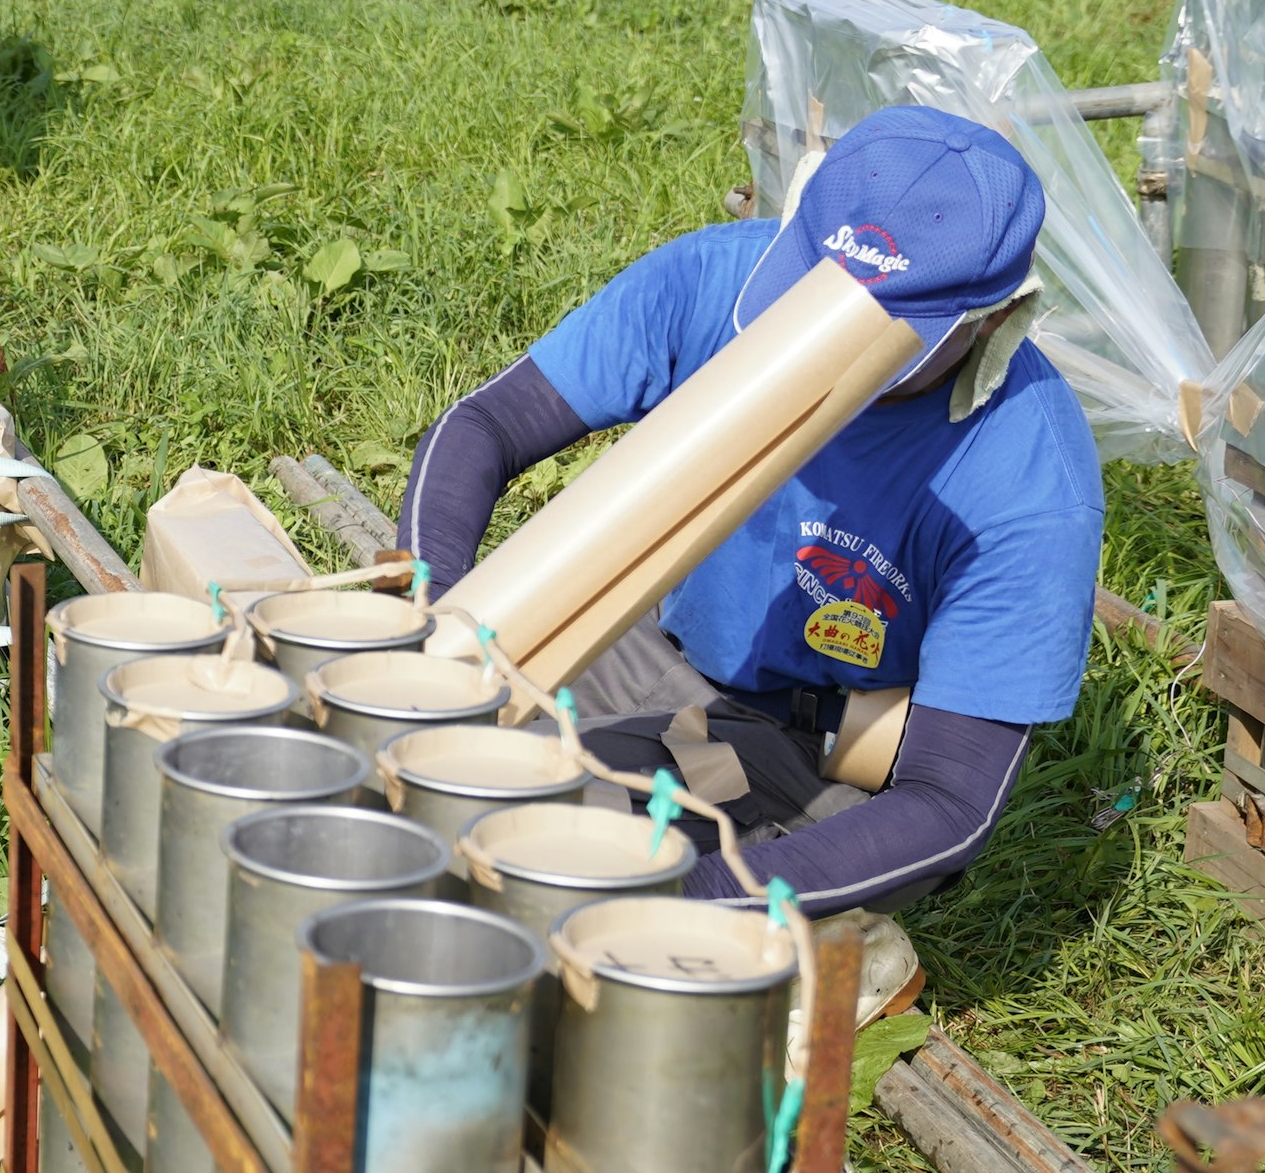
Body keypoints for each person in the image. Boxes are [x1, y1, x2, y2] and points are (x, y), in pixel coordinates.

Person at [406, 105, 1100, 912]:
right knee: (404, 768)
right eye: (812, 290)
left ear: (997, 320)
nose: (823, 338)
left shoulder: (1028, 483)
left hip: (806, 747)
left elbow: (948, 805)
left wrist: (686, 899)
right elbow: (488, 424)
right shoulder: (709, 280)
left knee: (516, 865)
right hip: (634, 636)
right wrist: (427, 620)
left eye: (883, 333)